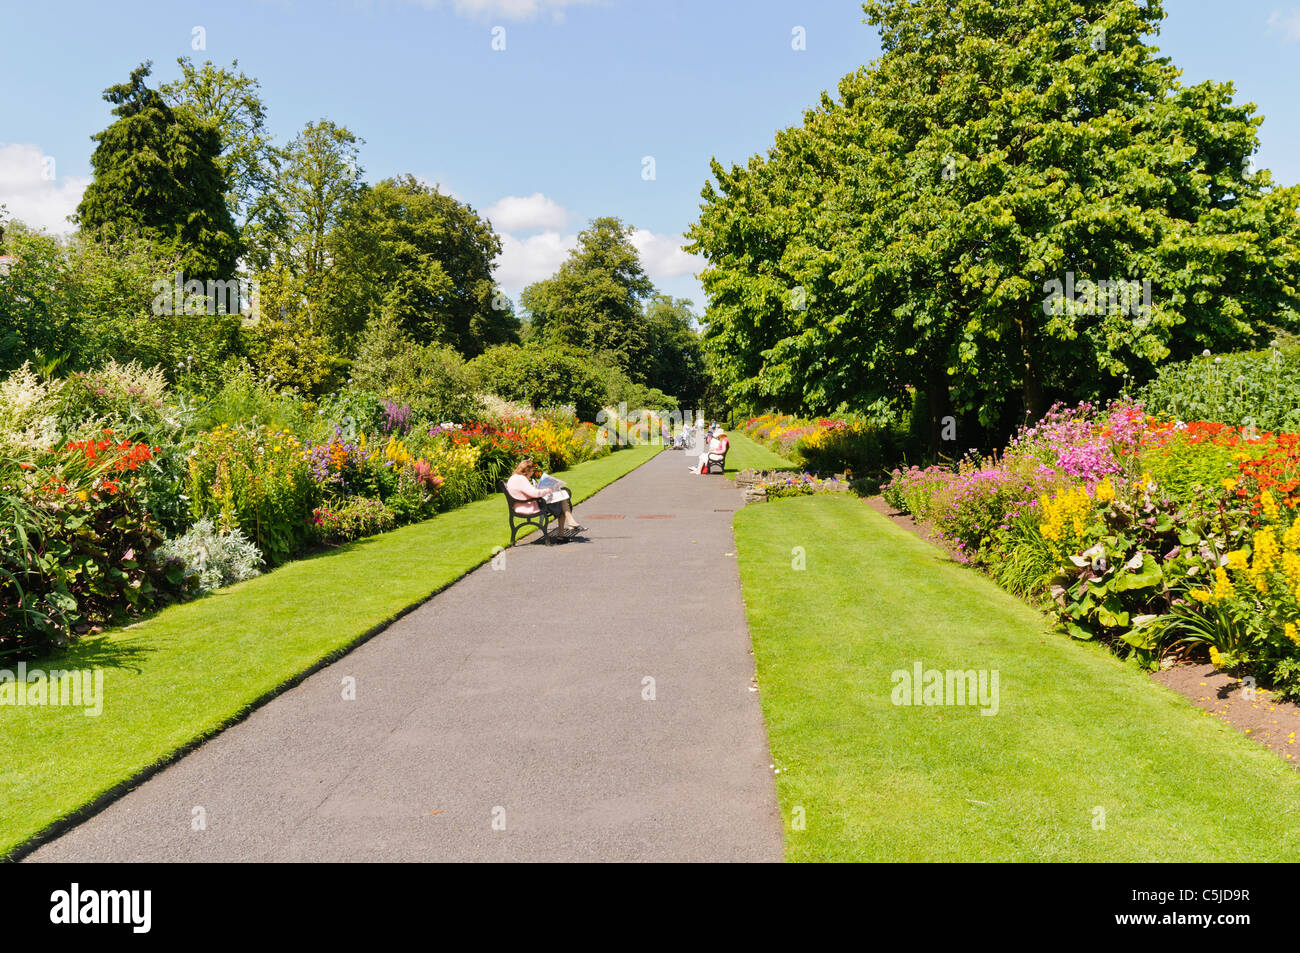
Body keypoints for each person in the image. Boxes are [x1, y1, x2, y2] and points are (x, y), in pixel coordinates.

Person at [505, 458, 585, 538]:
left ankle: (569, 523)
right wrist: (547, 490)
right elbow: (534, 493)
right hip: (527, 507)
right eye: (532, 471)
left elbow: (528, 492)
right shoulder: (521, 479)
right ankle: (567, 526)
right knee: (562, 499)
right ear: (527, 470)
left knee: (562, 497)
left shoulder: (515, 477)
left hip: (523, 505)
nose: (532, 473)